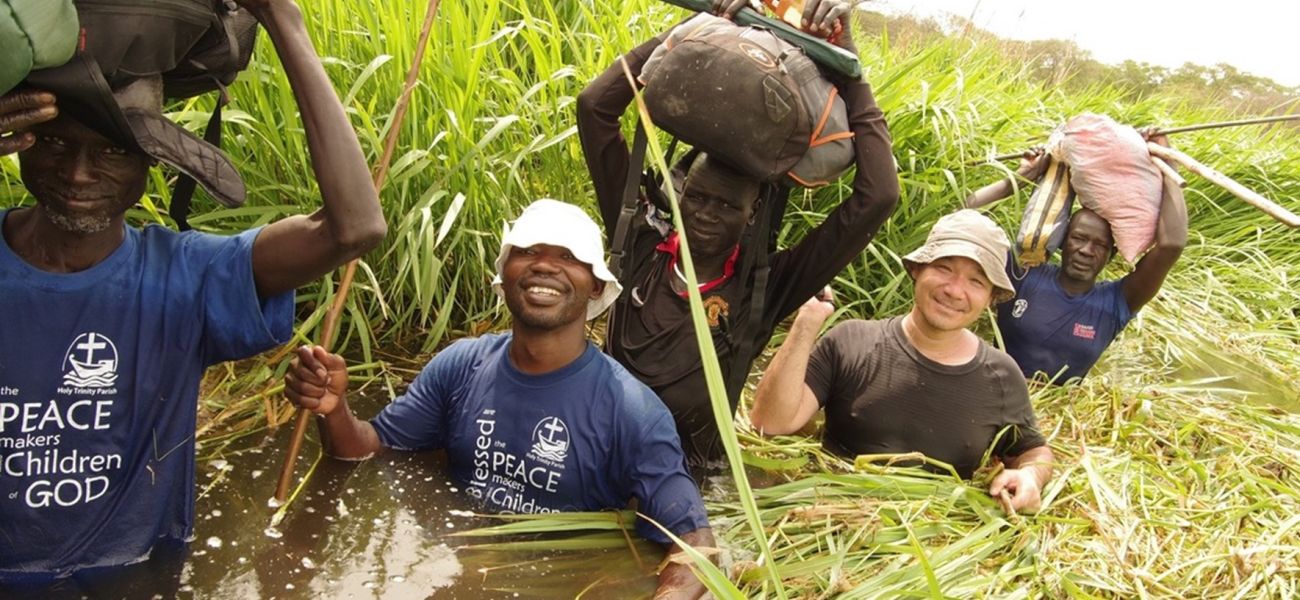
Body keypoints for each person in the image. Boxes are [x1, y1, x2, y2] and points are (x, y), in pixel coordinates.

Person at [0, 0, 386, 586]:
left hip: (133, 581)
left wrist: (283, 19)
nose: (78, 174)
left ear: (150, 163)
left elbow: (353, 229)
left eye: (111, 152)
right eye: (55, 144)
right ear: (23, 142)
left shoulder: (188, 275)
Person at [284, 199, 715, 599]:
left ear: (597, 286)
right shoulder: (460, 366)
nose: (545, 265)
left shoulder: (631, 410)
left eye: (568, 257)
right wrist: (333, 409)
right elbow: (366, 449)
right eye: (528, 251)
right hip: (454, 568)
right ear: (504, 275)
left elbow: (695, 546)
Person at [575, 0, 899, 466]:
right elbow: (595, 107)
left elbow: (878, 197)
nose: (705, 213)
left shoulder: (765, 285)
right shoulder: (640, 240)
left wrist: (851, 74)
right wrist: (697, 30)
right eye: (698, 198)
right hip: (599, 454)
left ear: (752, 215)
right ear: (680, 195)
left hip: (690, 477)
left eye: (727, 205)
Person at [749, 210, 1054, 513]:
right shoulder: (851, 341)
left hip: (934, 541)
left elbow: (1032, 451)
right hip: (827, 518)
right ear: (917, 269)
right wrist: (805, 324)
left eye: (976, 281)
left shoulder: (1001, 376)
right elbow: (770, 425)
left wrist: (1030, 476)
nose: (955, 290)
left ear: (990, 298)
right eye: (945, 268)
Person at [964, 134, 1188, 382]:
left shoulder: (1118, 302)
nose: (1086, 250)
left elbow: (1172, 244)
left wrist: (1167, 162)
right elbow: (967, 218)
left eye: (1100, 245)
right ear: (1062, 241)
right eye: (1079, 238)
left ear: (1111, 255)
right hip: (993, 391)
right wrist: (1023, 176)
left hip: (1058, 411)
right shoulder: (1024, 275)